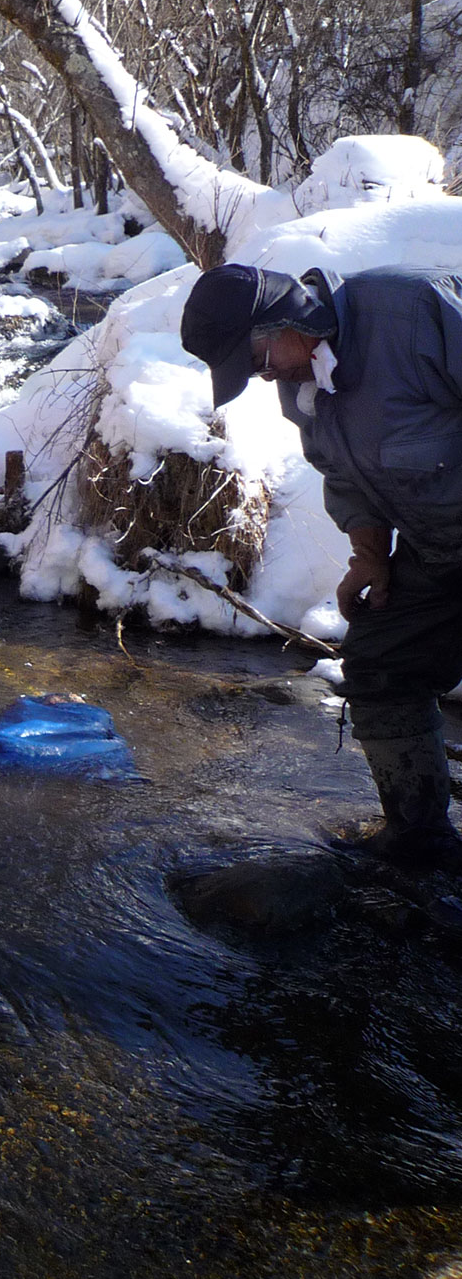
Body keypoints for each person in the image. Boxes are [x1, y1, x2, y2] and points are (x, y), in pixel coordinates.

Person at [180, 261, 462, 868]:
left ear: (285, 318)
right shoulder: (302, 375)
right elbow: (342, 471)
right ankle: (421, 842)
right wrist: (368, 554)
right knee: (381, 664)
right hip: (435, 549)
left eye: (255, 360)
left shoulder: (413, 310)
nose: (261, 377)